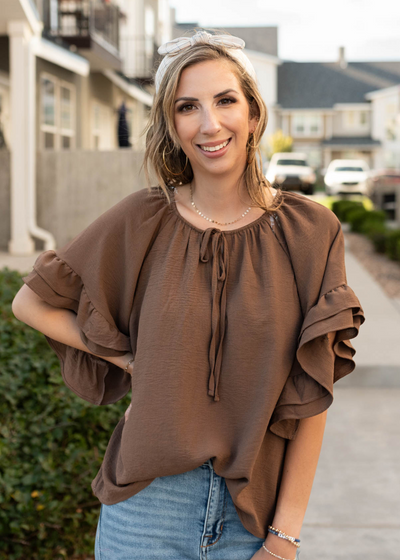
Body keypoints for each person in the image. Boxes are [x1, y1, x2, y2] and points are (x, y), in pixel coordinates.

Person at [12, 29, 366, 560]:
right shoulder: (142, 221)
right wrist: (129, 359)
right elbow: (30, 303)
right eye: (187, 107)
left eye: (225, 100)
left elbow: (312, 395)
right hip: (145, 511)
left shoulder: (311, 232)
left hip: (254, 512)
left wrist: (284, 536)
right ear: (171, 125)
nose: (209, 123)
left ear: (252, 111)